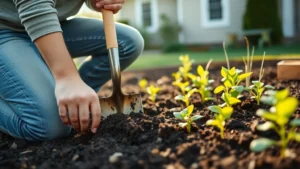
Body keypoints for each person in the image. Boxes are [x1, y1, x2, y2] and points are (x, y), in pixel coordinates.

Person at [0, 0, 144, 141]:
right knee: (49, 126)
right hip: (6, 28)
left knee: (128, 42)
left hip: (54, 23)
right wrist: (67, 77)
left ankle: (74, 101)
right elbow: (34, 5)